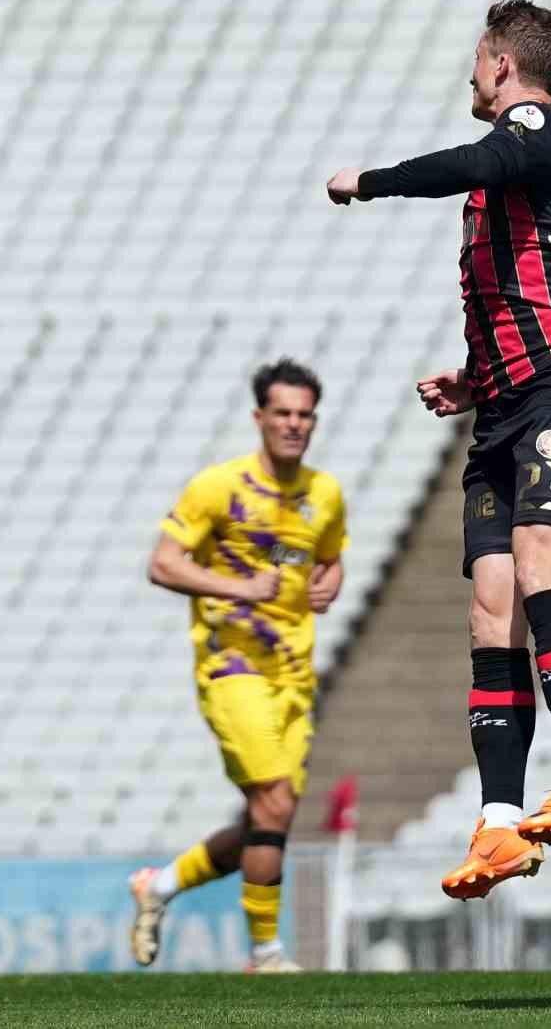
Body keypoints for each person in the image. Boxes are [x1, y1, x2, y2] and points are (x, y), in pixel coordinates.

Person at [326, 0, 551, 900]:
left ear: (502, 64)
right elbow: (531, 275)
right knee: (490, 609)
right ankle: (500, 824)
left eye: (476, 58)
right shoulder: (536, 162)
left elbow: (476, 159)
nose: (470, 73)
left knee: (540, 572)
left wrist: (370, 181)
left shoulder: (531, 122)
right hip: (504, 400)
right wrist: (473, 373)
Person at [128, 359, 347, 973]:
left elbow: (328, 560)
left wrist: (328, 585)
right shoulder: (216, 488)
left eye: (305, 415)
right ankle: (265, 954)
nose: (294, 424)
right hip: (232, 666)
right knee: (274, 802)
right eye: (283, 413)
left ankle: (161, 885)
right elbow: (163, 564)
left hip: (294, 673)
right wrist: (237, 588)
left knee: (266, 816)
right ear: (260, 418)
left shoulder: (323, 494)